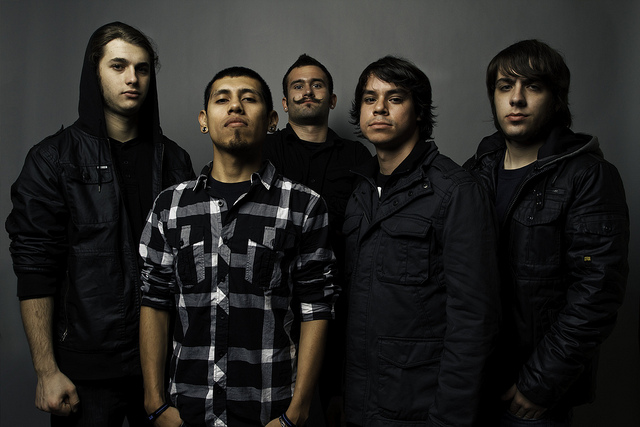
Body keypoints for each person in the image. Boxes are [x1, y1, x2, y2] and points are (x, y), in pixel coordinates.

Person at [5, 22, 195, 426]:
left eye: (142, 69)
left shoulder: (175, 161)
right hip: (85, 373)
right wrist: (46, 370)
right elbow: (35, 268)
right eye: (118, 66)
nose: (132, 78)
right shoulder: (52, 160)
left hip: (165, 367)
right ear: (95, 73)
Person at [138, 66, 338, 427]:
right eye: (222, 99)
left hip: (270, 411)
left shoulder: (304, 206)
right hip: (187, 413)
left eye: (248, 98)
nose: (235, 107)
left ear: (272, 120)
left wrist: (297, 412)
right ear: (204, 120)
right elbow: (154, 301)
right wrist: (154, 401)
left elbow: (316, 308)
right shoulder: (170, 206)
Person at [463, 39, 629, 426]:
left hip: (530, 395)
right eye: (505, 86)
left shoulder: (588, 176)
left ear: (556, 99)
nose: (516, 99)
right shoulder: (476, 170)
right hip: (471, 382)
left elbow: (597, 295)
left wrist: (540, 384)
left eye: (533, 86)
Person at [342, 56, 500, 427]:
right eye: (369, 98)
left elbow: (474, 320)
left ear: (419, 112)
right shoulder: (360, 192)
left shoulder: (457, 191)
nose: (379, 108)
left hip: (420, 409)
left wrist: (449, 417)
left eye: (395, 98)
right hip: (359, 405)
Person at [263, 54, 371, 424]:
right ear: (284, 102)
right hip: (273, 302)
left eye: (317, 85)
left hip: (338, 304)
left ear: (332, 99)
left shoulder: (357, 156)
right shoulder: (264, 151)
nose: (307, 91)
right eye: (298, 86)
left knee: (335, 410)